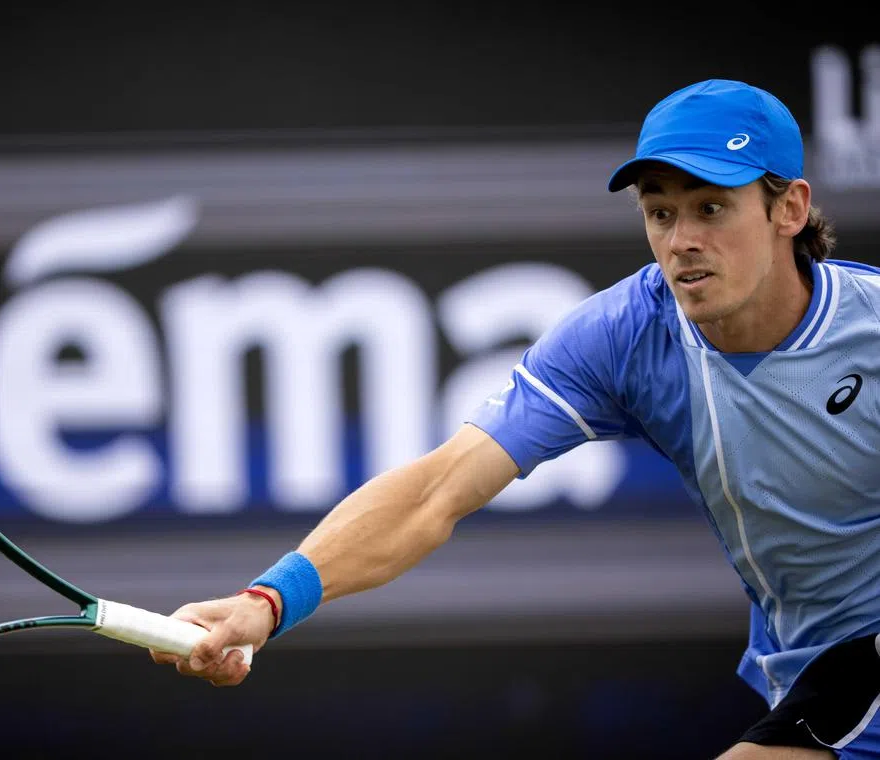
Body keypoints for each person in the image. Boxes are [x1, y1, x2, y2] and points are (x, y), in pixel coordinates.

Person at [149, 79, 880, 759]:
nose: (681, 239)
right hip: (812, 668)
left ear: (788, 209)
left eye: (710, 208)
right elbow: (437, 491)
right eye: (661, 212)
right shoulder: (623, 336)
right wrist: (267, 603)